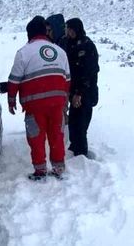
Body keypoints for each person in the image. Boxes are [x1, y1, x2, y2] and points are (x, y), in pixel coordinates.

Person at [7, 16, 71, 181]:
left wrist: (11, 100)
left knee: (36, 137)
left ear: (29, 34)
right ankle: (58, 168)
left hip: (35, 104)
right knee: (56, 135)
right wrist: (64, 102)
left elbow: (14, 80)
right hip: (57, 103)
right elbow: (67, 79)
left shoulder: (23, 53)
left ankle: (40, 171)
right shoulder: (60, 51)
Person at [65, 18, 99, 157]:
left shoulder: (87, 45)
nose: (69, 32)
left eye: (71, 29)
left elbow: (90, 72)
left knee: (81, 126)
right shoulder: (69, 44)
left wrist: (79, 93)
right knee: (73, 124)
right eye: (68, 29)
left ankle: (81, 155)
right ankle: (74, 150)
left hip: (86, 93)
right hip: (74, 93)